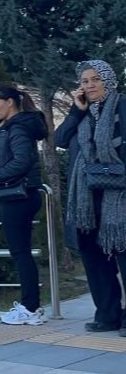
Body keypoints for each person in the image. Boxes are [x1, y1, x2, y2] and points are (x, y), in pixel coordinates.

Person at [55, 59, 126, 335]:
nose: (90, 85)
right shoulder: (82, 113)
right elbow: (60, 139)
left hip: (119, 195)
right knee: (94, 258)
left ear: (108, 80)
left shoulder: (122, 106)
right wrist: (76, 111)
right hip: (87, 198)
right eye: (84, 81)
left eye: (96, 79)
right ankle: (107, 315)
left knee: (124, 255)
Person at [0, 85, 48, 326]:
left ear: (10, 102)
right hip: (18, 194)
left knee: (20, 253)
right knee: (21, 252)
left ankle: (30, 308)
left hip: (17, 196)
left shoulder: (18, 127)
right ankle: (31, 306)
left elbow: (23, 160)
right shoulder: (9, 127)